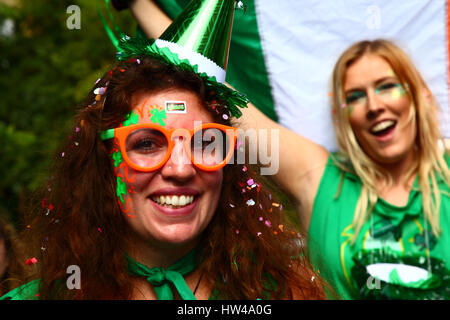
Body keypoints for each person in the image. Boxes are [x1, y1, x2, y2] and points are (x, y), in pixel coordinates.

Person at [0, 0, 325, 300]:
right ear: (101, 163)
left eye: (206, 143)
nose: (181, 169)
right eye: (146, 144)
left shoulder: (284, 293)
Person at [234, 39, 450, 299]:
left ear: (418, 95)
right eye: (355, 97)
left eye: (387, 86)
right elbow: (232, 108)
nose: (374, 106)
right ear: (342, 116)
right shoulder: (321, 181)